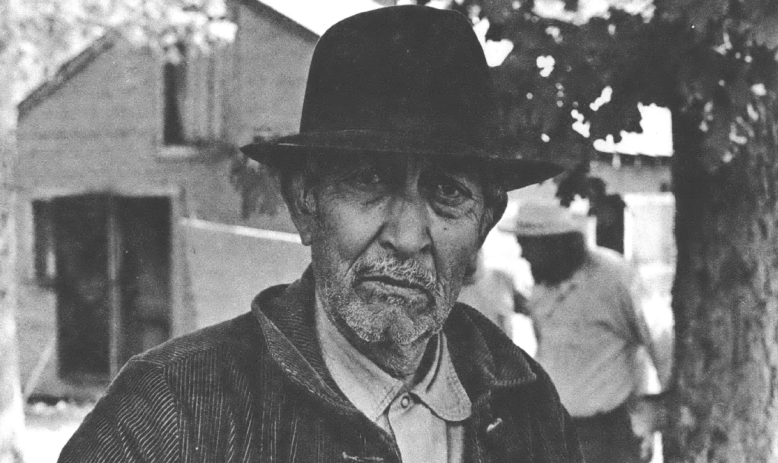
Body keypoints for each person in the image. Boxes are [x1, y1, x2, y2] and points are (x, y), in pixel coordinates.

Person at [59, 6, 583, 462]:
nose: (406, 235)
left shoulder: (526, 407)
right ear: (305, 204)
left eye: (446, 192)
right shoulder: (169, 411)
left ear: (485, 221)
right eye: (367, 180)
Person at [503, 200, 669, 463]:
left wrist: (659, 411)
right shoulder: (543, 284)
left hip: (610, 436)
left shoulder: (614, 278)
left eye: (527, 246)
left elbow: (662, 341)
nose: (523, 255)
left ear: (556, 243)